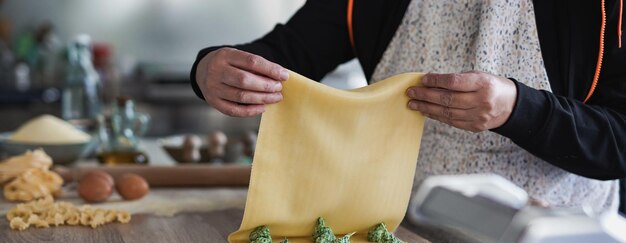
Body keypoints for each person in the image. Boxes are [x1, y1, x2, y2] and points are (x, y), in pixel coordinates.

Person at [191, 0, 626, 214]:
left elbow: (619, 140)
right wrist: (208, 67)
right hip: (405, 240)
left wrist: (520, 110)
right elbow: (283, 54)